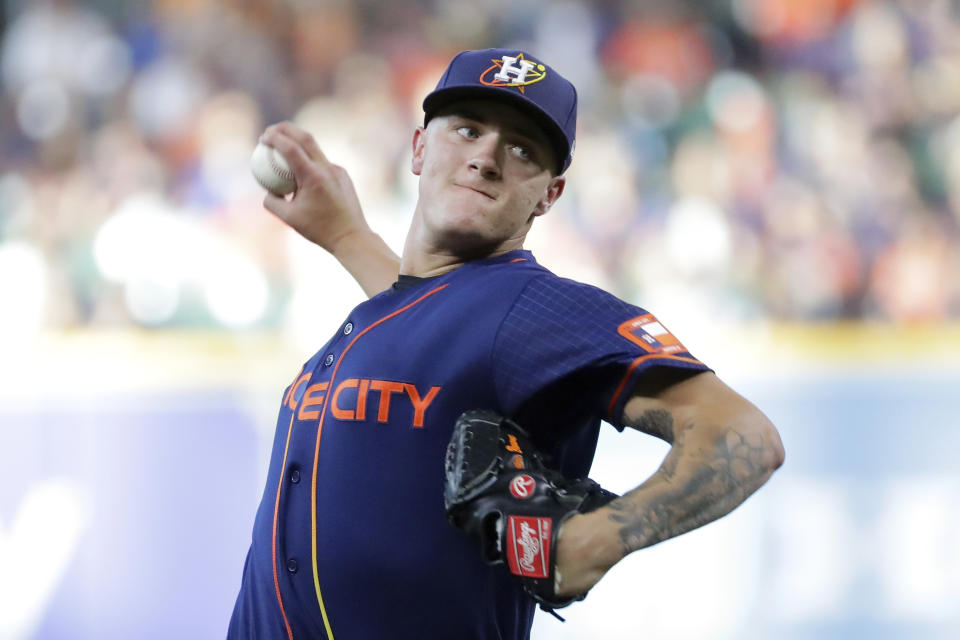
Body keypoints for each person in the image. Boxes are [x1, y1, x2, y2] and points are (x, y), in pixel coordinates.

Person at [228, 48, 784, 640]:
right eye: (467, 129)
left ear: (550, 194)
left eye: (522, 149)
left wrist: (597, 537)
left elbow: (744, 433)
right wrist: (346, 235)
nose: (486, 157)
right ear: (418, 148)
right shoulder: (402, 314)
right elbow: (428, 320)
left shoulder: (537, 309)